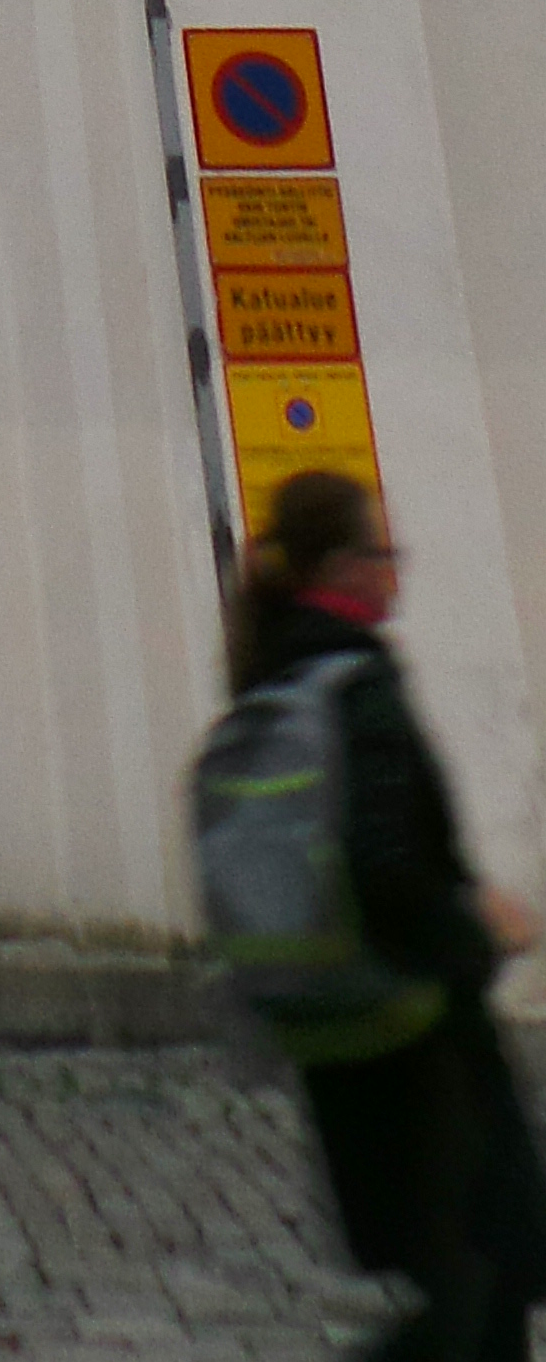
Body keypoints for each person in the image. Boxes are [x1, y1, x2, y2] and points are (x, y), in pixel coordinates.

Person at [226, 467, 546, 1362]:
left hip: (344, 1039)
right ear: (343, 566)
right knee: (489, 1281)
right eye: (381, 551)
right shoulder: (356, 687)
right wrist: (479, 929)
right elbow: (384, 870)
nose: (394, 569)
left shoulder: (277, 674)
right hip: (418, 1040)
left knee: (480, 1290)